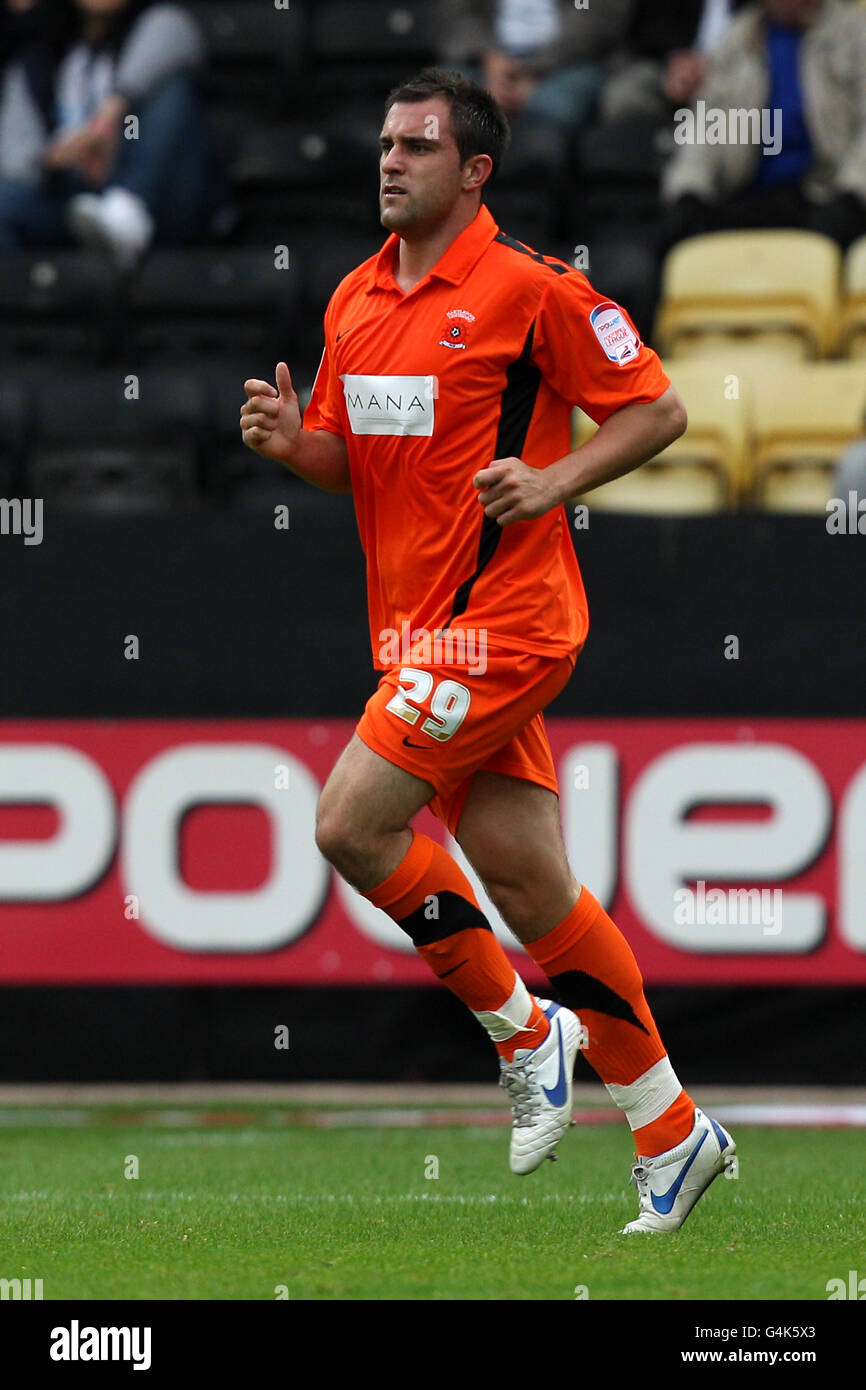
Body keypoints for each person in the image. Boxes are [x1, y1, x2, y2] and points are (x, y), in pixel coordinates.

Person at [240, 68, 736, 1234]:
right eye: (383, 142)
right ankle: (670, 1130)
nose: (388, 160)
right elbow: (348, 459)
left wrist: (552, 480)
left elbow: (656, 408)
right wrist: (286, 449)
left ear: (474, 172)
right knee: (533, 884)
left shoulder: (531, 289)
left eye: (417, 145)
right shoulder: (354, 299)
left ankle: (524, 1030)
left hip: (503, 623)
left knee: (347, 823)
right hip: (414, 637)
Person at [0, 0, 222, 269]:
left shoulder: (155, 25)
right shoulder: (41, 52)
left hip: (151, 183)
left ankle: (127, 208)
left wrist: (112, 113)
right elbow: (16, 154)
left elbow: (177, 34)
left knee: (171, 88)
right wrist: (60, 156)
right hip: (72, 194)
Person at [661, 0, 866, 252]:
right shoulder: (736, 39)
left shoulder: (856, 33)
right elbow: (703, 130)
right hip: (748, 198)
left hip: (826, 197)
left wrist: (853, 195)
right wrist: (689, 192)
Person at [438, 0, 632, 135]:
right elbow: (459, 13)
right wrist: (490, 57)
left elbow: (591, 14)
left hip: (570, 61)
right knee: (442, 104)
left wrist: (532, 69)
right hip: (485, 59)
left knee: (554, 108)